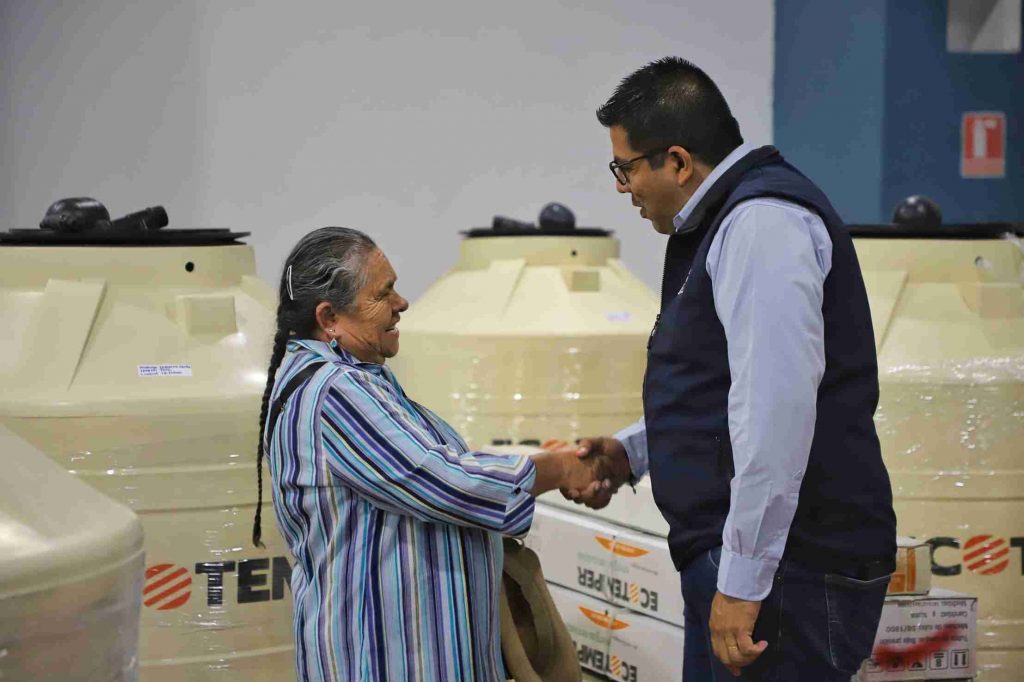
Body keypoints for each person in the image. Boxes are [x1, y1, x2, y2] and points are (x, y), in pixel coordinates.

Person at [564, 57, 897, 680]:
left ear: (678, 161)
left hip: (789, 570)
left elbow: (775, 414)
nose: (622, 187)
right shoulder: (723, 224)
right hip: (757, 563)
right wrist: (635, 452)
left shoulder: (761, 224)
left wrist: (744, 583)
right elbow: (724, 389)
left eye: (625, 168)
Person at [252, 226, 605, 681]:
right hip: (383, 661)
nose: (401, 303)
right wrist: (561, 469)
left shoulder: (349, 379)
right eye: (383, 294)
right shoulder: (335, 392)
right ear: (330, 317)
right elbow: (444, 481)